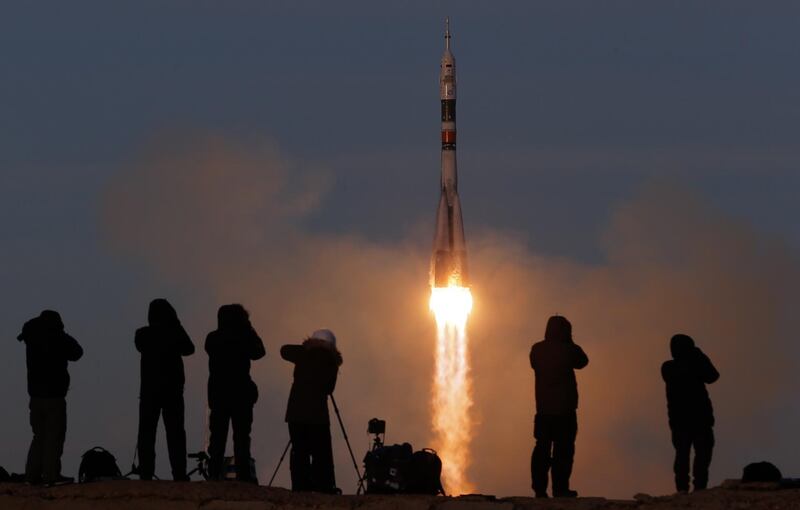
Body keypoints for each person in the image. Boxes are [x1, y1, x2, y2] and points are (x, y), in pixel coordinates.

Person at [17, 310, 83, 485]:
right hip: (54, 396)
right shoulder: (58, 337)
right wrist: (61, 334)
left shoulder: (31, 336)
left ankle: (32, 475)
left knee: (39, 436)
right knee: (54, 436)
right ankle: (51, 474)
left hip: (35, 397)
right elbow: (77, 352)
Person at [135, 298, 195, 481]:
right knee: (176, 433)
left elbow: (140, 346)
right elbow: (189, 348)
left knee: (146, 432)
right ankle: (179, 473)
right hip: (172, 391)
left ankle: (145, 472)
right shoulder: (174, 332)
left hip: (149, 390)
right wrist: (176, 324)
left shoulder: (143, 334)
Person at [529, 315, 589, 498]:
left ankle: (539, 489)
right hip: (565, 411)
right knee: (563, 451)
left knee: (542, 450)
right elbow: (583, 361)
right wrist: (569, 342)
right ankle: (560, 489)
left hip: (544, 410)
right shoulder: (567, 349)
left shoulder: (537, 349)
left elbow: (535, 364)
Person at [205, 304, 265, 482]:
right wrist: (249, 328)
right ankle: (244, 477)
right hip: (240, 394)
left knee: (217, 438)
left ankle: (214, 474)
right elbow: (260, 352)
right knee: (241, 437)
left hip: (218, 394)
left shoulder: (213, 338)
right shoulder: (244, 337)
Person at [281, 329, 343, 493]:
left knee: (299, 451)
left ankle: (300, 487)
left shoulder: (302, 354)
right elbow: (329, 388)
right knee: (321, 453)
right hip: (318, 415)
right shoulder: (332, 362)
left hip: (296, 413)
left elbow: (284, 350)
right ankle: (323, 487)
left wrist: (305, 348)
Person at [661, 334, 719, 493]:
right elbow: (708, 375)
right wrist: (697, 355)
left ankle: (699, 488)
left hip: (700, 418)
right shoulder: (669, 367)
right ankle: (683, 490)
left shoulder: (695, 363)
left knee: (703, 454)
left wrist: (698, 355)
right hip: (682, 420)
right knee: (683, 455)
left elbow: (713, 376)